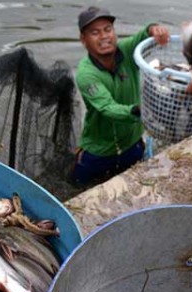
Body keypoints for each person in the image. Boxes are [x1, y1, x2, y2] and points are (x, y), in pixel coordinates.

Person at [73, 6, 169, 185]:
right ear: (83, 40)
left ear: (114, 32)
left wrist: (155, 29)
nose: (104, 36)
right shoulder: (86, 74)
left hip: (132, 144)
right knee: (78, 190)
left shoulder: (126, 51)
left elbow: (144, 35)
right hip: (98, 152)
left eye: (107, 29)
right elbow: (108, 108)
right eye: (95, 32)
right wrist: (140, 110)